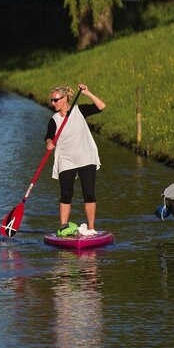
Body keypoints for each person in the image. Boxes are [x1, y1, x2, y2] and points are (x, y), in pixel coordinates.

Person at [46, 84, 106, 236]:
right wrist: (49, 143)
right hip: (66, 159)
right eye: (51, 100)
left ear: (65, 98)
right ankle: (63, 228)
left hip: (86, 156)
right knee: (66, 194)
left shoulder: (79, 110)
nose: (53, 103)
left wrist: (87, 92)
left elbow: (101, 106)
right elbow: (49, 136)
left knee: (89, 193)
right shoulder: (54, 120)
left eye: (55, 100)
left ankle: (91, 229)